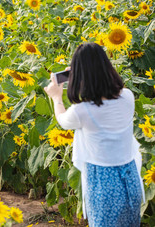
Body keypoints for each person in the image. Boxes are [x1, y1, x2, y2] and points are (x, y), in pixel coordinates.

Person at [44, 43, 144, 226]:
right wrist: (84, 75)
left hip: (103, 184)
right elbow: (107, 93)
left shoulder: (83, 111)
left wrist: (56, 97)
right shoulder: (128, 97)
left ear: (80, 77)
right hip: (130, 179)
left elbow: (63, 120)